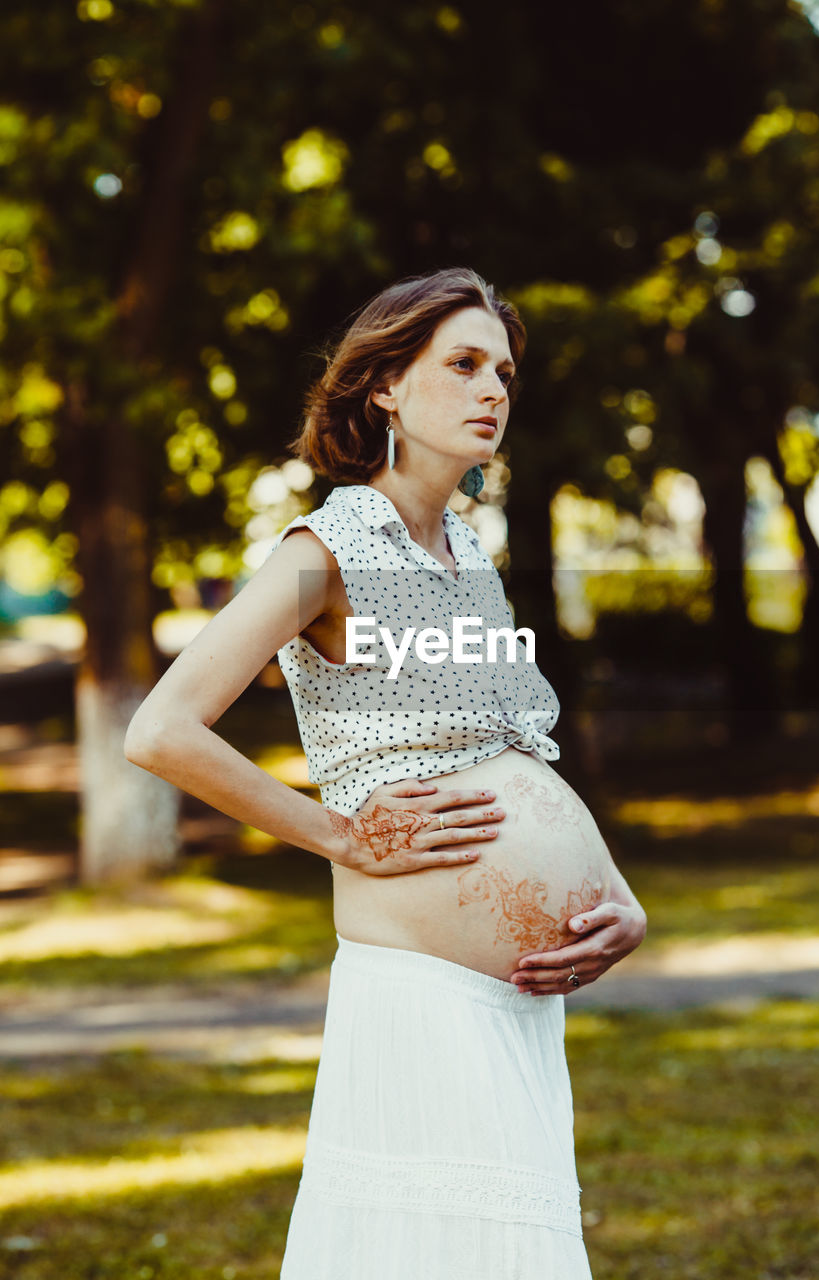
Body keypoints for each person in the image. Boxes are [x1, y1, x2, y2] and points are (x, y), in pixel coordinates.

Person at [125, 267, 646, 1279]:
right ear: (384, 388)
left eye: (502, 368)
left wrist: (614, 898)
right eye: (461, 364)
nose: (492, 387)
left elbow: (510, 753)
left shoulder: (463, 550)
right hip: (420, 997)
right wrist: (338, 831)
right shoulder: (328, 550)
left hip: (515, 1002)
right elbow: (161, 727)